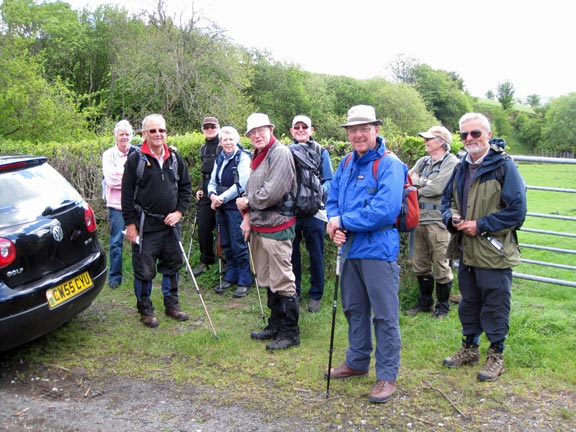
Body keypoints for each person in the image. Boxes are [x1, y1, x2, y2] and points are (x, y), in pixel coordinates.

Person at [325, 105, 406, 404]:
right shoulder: (346, 162)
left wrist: (343, 222)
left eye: (364, 128)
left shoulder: (389, 164)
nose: (358, 134)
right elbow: (332, 199)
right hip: (349, 250)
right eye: (353, 129)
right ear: (347, 133)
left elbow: (385, 211)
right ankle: (357, 362)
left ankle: (386, 375)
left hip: (378, 251)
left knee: (384, 316)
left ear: (376, 130)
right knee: (354, 309)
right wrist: (334, 225)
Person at [441, 112, 526, 382]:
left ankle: (496, 355)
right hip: (466, 249)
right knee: (469, 302)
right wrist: (451, 218)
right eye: (464, 134)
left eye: (475, 133)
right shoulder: (460, 167)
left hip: (494, 251)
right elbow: (447, 202)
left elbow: (517, 212)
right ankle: (470, 349)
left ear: (488, 135)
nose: (469, 139)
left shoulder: (504, 167)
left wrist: (481, 224)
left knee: (495, 304)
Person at [121, 114, 193, 328]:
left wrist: (179, 212)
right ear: (144, 134)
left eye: (161, 130)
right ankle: (145, 309)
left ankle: (172, 305)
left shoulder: (175, 158)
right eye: (153, 131)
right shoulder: (136, 160)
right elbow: (126, 195)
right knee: (144, 269)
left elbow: (186, 188)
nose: (158, 134)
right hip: (145, 227)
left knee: (172, 266)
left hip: (171, 225)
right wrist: (131, 225)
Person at [236, 113, 300, 351]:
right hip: (261, 226)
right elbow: (254, 189)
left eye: (260, 130)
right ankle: (275, 325)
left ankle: (290, 332)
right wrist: (248, 217)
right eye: (252, 132)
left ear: (271, 129)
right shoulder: (259, 155)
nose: (256, 135)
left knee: (283, 278)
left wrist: (248, 204)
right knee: (267, 276)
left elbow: (273, 192)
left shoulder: (280, 153)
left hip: (278, 227)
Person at [405, 126, 459, 318]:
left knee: (441, 263)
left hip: (439, 221)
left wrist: (419, 183)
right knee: (419, 262)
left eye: (429, 138)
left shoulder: (451, 162)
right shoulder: (423, 161)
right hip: (418, 219)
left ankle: (443, 306)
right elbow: (406, 181)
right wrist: (420, 183)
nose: (425, 141)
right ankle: (425, 302)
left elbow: (437, 188)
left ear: (441, 142)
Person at [289, 115, 334, 312]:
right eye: (296, 127)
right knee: (291, 255)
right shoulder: (285, 151)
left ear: (311, 130)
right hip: (291, 211)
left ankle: (316, 294)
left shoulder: (321, 152)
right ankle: (294, 291)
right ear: (291, 131)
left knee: (316, 254)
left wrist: (315, 195)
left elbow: (330, 181)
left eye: (304, 127)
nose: (300, 130)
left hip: (314, 212)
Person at [208, 126, 253, 298]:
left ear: (237, 140)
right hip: (220, 205)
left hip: (235, 206)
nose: (227, 143)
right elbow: (212, 180)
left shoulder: (242, 157)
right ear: (220, 142)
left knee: (238, 242)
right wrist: (212, 195)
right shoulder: (220, 158)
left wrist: (222, 198)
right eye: (224, 140)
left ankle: (244, 280)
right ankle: (231, 275)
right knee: (225, 242)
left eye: (230, 139)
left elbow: (241, 184)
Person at [102, 119, 135, 289]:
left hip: (135, 204)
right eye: (121, 134)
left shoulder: (136, 153)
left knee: (139, 241)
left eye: (127, 134)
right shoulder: (108, 155)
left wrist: (122, 175)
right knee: (116, 242)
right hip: (116, 205)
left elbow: (141, 179)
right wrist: (129, 178)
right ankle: (115, 277)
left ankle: (140, 274)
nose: (124, 137)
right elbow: (111, 180)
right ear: (116, 136)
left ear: (132, 136)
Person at [192, 116, 221, 277]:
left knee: (224, 231)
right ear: (203, 129)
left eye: (212, 126)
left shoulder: (223, 146)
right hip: (205, 195)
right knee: (203, 228)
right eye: (206, 127)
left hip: (221, 193)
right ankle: (206, 260)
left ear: (218, 128)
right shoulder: (203, 149)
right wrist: (200, 189)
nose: (209, 129)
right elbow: (204, 174)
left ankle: (226, 264)